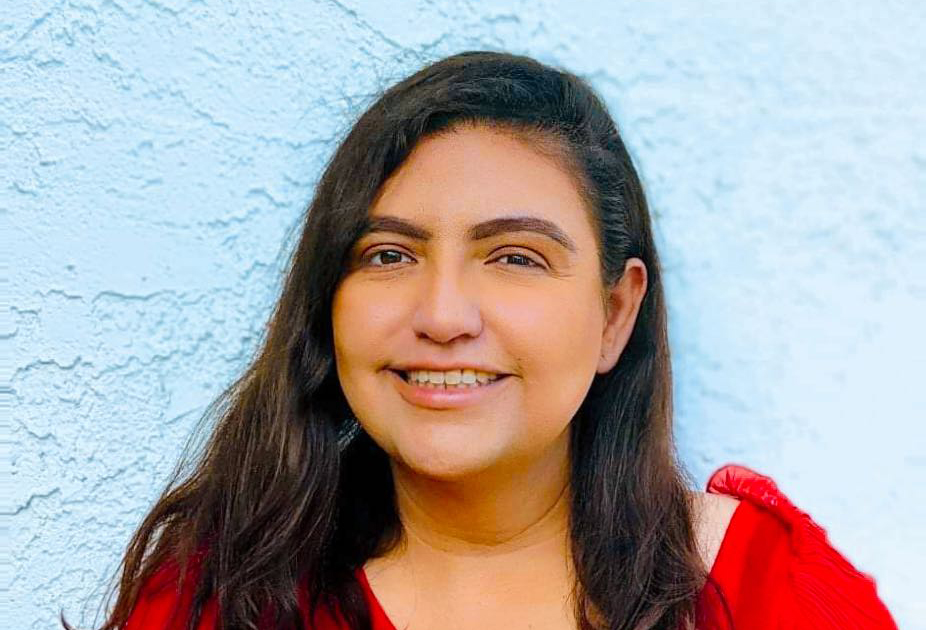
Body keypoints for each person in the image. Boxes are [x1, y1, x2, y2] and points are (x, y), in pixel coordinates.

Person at [70, 51, 897, 630]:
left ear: (615, 314)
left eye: (515, 257)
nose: (442, 314)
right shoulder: (222, 599)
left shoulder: (764, 590)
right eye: (388, 254)